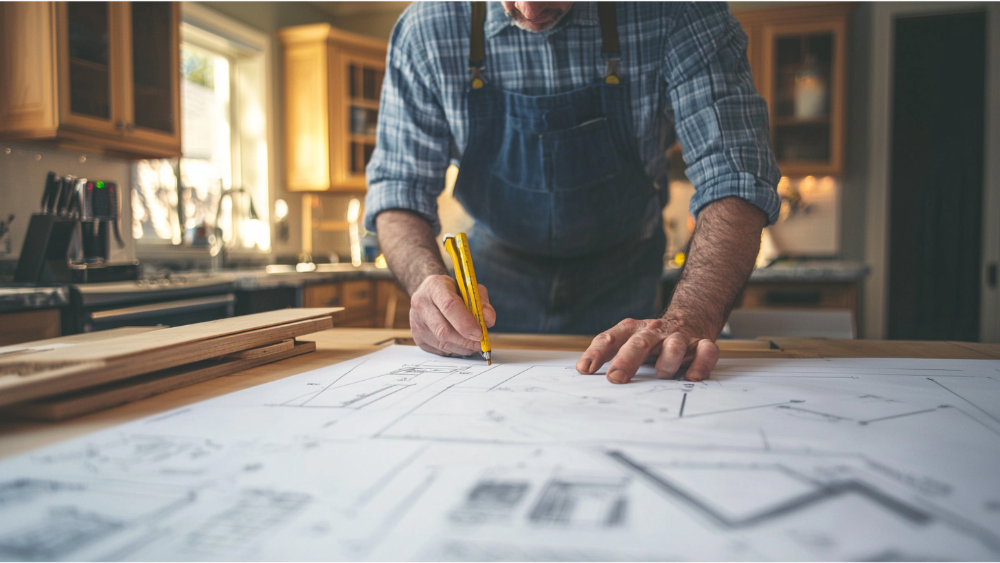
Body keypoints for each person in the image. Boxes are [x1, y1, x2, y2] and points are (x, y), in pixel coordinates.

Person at [365, 0, 781, 384]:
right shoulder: (427, 28)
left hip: (624, 277)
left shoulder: (676, 10)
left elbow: (734, 174)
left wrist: (690, 316)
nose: (528, 8)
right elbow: (398, 191)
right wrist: (427, 282)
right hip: (494, 281)